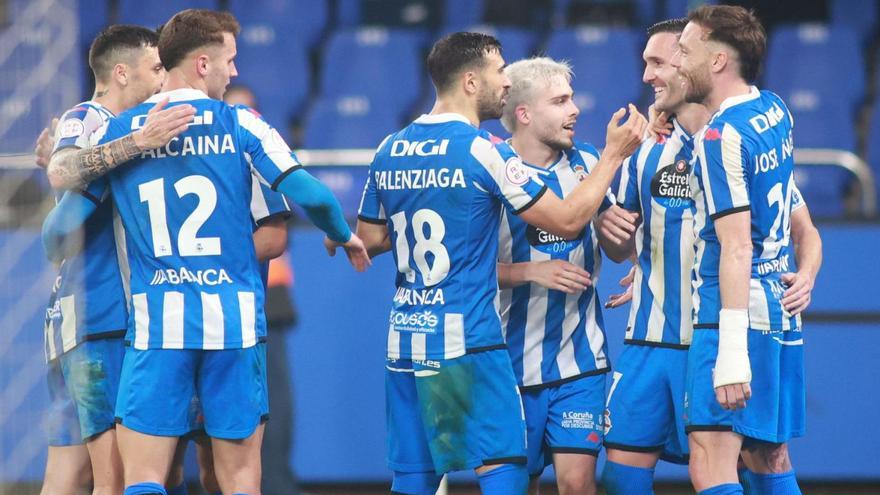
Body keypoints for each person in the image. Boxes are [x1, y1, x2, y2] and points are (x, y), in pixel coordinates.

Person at [41, 9, 368, 495]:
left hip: (156, 326)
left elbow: (56, 232)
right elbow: (315, 198)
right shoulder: (242, 124)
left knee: (144, 478)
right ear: (201, 64)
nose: (234, 71)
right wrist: (344, 234)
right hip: (232, 323)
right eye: (229, 61)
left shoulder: (125, 134)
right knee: (236, 478)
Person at [330, 31, 645, 495]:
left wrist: (339, 236)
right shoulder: (483, 150)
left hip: (407, 341)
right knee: (504, 471)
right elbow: (567, 219)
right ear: (472, 81)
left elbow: (372, 239)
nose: (505, 82)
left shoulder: (389, 148)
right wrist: (615, 154)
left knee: (415, 477)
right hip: (473, 341)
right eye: (499, 71)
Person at [671, 6, 822, 495]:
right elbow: (797, 221)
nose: (677, 61)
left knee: (710, 462)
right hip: (777, 311)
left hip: (731, 311)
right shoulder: (774, 109)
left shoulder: (721, 137)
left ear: (717, 61)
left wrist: (731, 354)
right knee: (768, 455)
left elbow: (736, 248)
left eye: (686, 51)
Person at [38, 25, 173, 495]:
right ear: (121, 72)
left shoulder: (104, 127)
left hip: (74, 320)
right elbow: (63, 171)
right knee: (114, 477)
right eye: (156, 68)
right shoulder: (90, 116)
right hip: (98, 315)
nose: (163, 79)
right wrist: (138, 142)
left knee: (68, 474)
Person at [494, 56, 637, 495]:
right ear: (524, 114)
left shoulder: (588, 162)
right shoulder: (491, 167)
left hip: (580, 360)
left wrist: (614, 232)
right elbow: (461, 270)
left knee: (578, 485)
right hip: (506, 362)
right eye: (560, 101)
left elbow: (618, 251)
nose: (574, 109)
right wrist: (529, 270)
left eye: (571, 98)